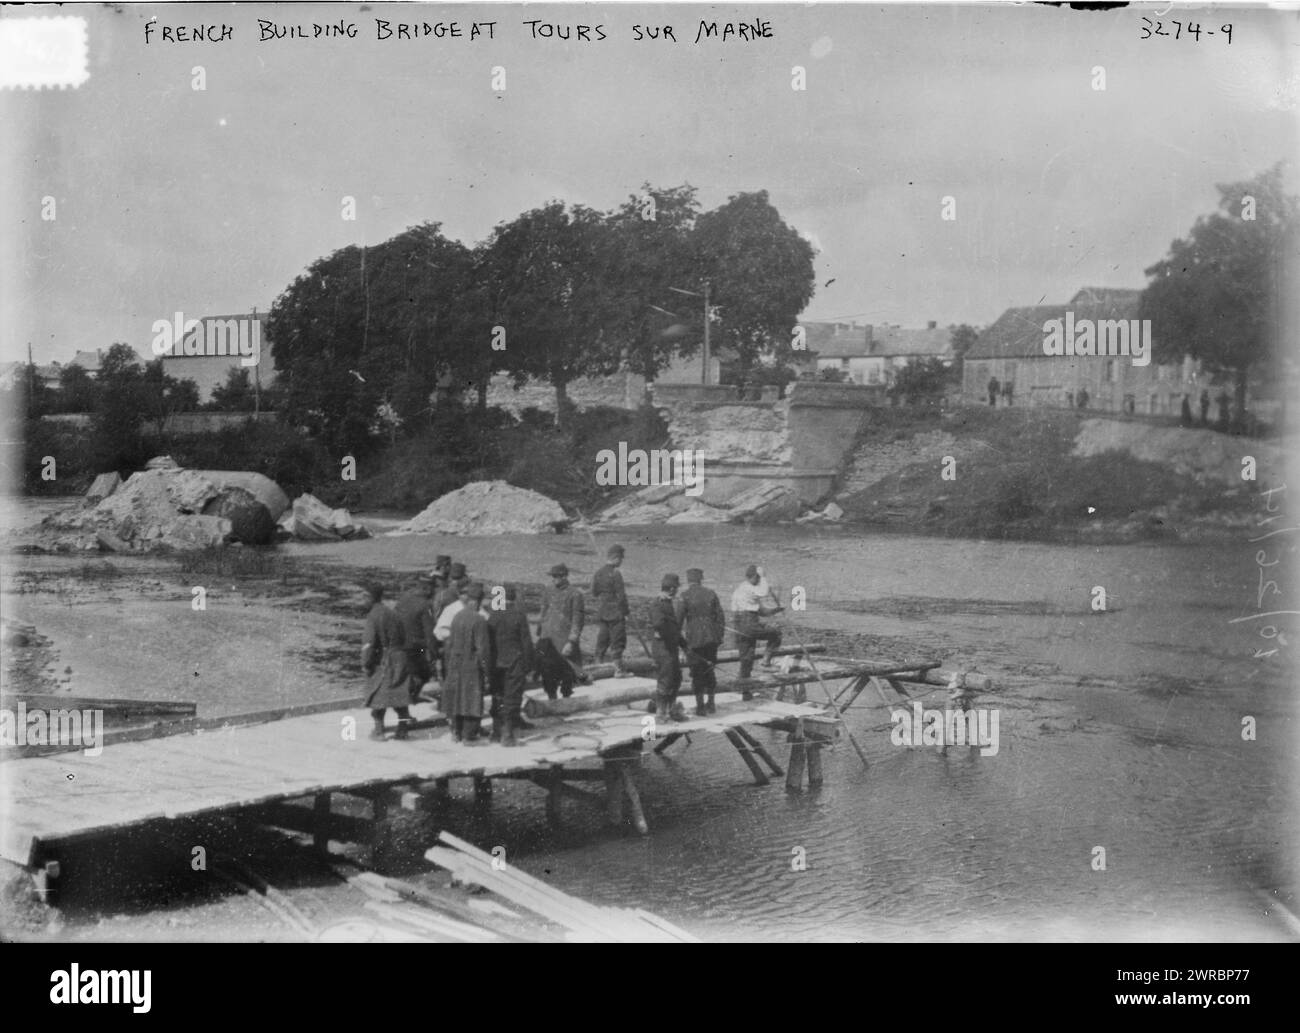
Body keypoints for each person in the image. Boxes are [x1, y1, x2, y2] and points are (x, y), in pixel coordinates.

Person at [360, 583, 417, 741]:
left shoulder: (373, 616)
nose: (362, 600)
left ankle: (379, 732)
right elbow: (405, 636)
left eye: (365, 597)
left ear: (372, 598)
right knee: (400, 695)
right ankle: (402, 730)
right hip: (400, 658)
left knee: (378, 696)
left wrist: (366, 664)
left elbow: (368, 644)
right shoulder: (392, 613)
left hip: (385, 660)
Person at [442, 582, 491, 743]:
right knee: (471, 699)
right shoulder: (479, 620)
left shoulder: (457, 616)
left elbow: (449, 642)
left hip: (456, 663)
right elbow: (482, 649)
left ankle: (456, 732)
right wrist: (487, 671)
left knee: (457, 698)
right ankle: (469, 735)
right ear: (478, 600)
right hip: (471, 665)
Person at [487, 584, 535, 746]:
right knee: (512, 697)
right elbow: (526, 642)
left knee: (498, 695)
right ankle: (507, 734)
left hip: (496, 663)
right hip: (514, 662)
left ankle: (495, 732)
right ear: (513, 597)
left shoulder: (492, 615)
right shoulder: (518, 615)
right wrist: (528, 665)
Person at [676, 568, 725, 715]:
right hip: (711, 639)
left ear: (688, 580)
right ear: (700, 579)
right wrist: (718, 638)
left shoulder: (684, 596)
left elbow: (677, 623)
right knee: (710, 671)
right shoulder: (711, 593)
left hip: (695, 641)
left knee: (696, 674)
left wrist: (682, 645)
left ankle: (700, 707)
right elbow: (720, 618)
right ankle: (711, 703)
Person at [731, 564, 783, 696]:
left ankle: (745, 692)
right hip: (749, 623)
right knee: (776, 633)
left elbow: (762, 611)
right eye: (758, 578)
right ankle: (766, 662)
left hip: (740, 626)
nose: (759, 581)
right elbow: (763, 592)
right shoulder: (747, 588)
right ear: (754, 577)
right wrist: (764, 577)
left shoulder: (742, 590)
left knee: (746, 659)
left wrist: (776, 610)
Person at [536, 563, 585, 700]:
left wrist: (572, 641)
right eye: (553, 576)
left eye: (557, 576)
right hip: (548, 639)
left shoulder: (575, 594)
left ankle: (566, 699)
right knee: (547, 672)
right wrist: (540, 632)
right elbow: (543, 611)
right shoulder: (547, 591)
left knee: (567, 673)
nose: (554, 579)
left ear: (564, 576)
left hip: (564, 640)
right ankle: (551, 697)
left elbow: (578, 620)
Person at [647, 574, 686, 721]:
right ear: (671, 589)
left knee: (676, 678)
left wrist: (684, 645)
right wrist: (671, 636)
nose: (677, 591)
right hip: (663, 647)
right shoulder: (658, 603)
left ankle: (671, 709)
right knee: (665, 679)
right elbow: (658, 624)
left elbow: (672, 627)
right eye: (676, 588)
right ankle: (660, 713)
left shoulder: (667, 603)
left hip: (670, 647)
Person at [393, 575, 436, 701]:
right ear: (427, 589)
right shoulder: (425, 605)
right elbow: (430, 633)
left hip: (398, 643)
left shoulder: (404, 598)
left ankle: (408, 695)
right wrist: (434, 654)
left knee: (407, 672)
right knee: (424, 673)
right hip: (415, 646)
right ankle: (411, 697)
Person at [591, 544, 630, 675]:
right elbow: (621, 596)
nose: (621, 561)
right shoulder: (616, 574)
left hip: (602, 612)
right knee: (618, 641)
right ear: (616, 558)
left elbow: (594, 592)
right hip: (616, 613)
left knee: (602, 640)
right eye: (621, 559)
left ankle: (597, 666)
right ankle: (618, 670)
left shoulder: (598, 573)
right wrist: (626, 612)